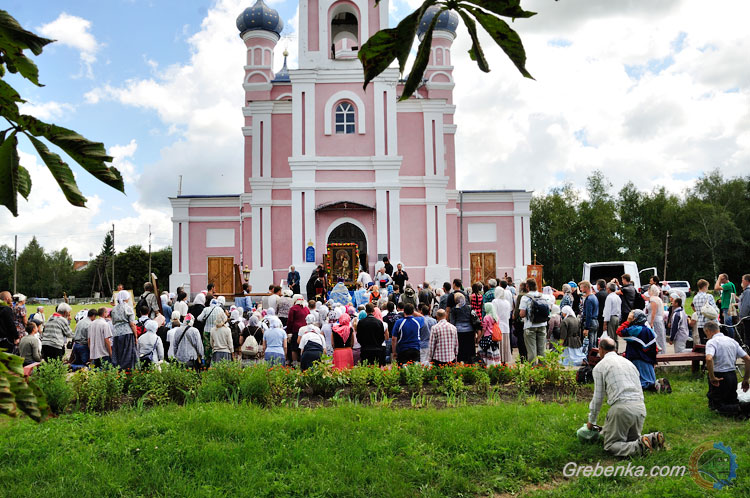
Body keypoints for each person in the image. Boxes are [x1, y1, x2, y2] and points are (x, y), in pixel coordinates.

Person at [587, 337, 665, 457]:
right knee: (630, 440)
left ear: (601, 350)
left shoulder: (600, 367)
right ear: (615, 349)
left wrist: (591, 421)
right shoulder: (629, 363)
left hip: (621, 409)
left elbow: (598, 398)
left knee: (610, 445)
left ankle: (640, 447)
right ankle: (651, 439)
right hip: (640, 408)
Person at [704, 321, 750, 416]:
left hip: (719, 376)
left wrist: (712, 377)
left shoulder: (712, 342)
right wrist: (745, 379)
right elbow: (748, 359)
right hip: (732, 376)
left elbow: (709, 359)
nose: (707, 336)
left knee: (716, 407)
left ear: (708, 331)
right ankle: (740, 408)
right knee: (732, 400)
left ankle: (743, 408)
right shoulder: (732, 341)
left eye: (706, 334)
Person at [616, 310, 658, 390]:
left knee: (640, 379)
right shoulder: (648, 329)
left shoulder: (635, 329)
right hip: (648, 357)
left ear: (635, 318)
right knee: (648, 377)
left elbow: (620, 331)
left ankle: (648, 386)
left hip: (637, 357)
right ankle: (654, 385)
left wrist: (628, 321)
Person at [519, 278, 548, 363]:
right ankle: (543, 369)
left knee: (532, 351)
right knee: (542, 350)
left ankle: (533, 371)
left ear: (527, 286)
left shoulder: (525, 297)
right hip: (542, 324)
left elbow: (522, 314)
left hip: (530, 326)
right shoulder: (542, 296)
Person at [111, 290, 138, 369]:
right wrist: (136, 336)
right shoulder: (128, 308)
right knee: (127, 353)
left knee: (118, 353)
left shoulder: (114, 309)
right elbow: (132, 323)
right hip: (127, 332)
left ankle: (118, 369)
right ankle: (127, 371)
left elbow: (113, 322)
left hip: (116, 333)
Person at [451, 292, 476, 363]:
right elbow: (473, 319)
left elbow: (452, 322)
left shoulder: (454, 309)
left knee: (460, 349)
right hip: (469, 330)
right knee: (469, 349)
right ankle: (469, 363)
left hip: (459, 331)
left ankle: (459, 363)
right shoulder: (469, 307)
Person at [491, 287, 513, 365]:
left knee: (498, 346)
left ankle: (498, 362)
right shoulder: (507, 302)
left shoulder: (495, 301)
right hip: (506, 327)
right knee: (505, 346)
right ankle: (504, 363)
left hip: (497, 327)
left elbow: (494, 315)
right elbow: (509, 315)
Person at [690, 279, 716, 344]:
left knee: (703, 344)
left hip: (700, 325)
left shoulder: (695, 297)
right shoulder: (709, 296)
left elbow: (695, 309)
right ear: (705, 286)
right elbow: (715, 310)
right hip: (710, 324)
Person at [579, 280, 600, 353]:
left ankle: (590, 359)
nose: (580, 290)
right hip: (595, 321)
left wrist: (586, 328)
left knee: (590, 343)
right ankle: (593, 358)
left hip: (590, 322)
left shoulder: (589, 299)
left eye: (581, 288)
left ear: (586, 287)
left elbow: (588, 314)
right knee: (594, 342)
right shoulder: (594, 297)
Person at [646, 285, 666, 354]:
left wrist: (651, 322)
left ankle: (659, 353)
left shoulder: (653, 299)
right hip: (659, 319)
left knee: (656, 337)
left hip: (654, 320)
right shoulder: (658, 299)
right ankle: (662, 353)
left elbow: (653, 312)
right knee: (660, 337)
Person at [603, 282, 622, 349]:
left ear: (608, 289)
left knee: (611, 336)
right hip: (617, 317)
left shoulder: (609, 297)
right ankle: (616, 349)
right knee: (615, 336)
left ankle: (611, 349)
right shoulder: (618, 297)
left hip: (611, 317)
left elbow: (607, 311)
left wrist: (605, 322)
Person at [739, 274, 750, 347]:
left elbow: (746, 305)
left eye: (742, 280)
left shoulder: (748, 291)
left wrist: (741, 317)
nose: (742, 282)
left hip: (748, 318)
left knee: (748, 336)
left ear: (747, 281)